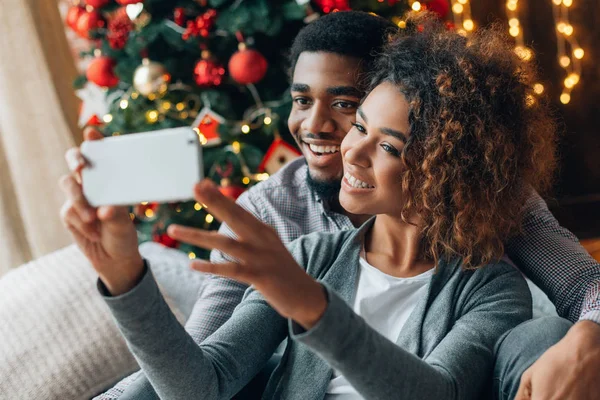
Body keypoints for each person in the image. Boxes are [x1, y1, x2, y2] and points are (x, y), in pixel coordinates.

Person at [60, 11, 600, 400]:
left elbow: (439, 389)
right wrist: (127, 280)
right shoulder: (300, 247)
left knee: (549, 333)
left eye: (386, 143)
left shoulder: (488, 284)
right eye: (359, 124)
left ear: (447, 168)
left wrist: (313, 306)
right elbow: (199, 380)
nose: (345, 146)